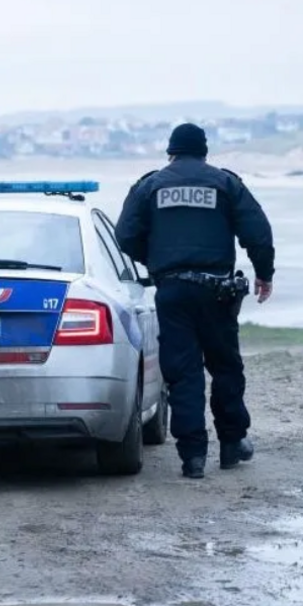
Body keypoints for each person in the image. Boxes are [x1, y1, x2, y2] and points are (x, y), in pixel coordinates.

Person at [114, 123, 276, 479]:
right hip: (218, 291)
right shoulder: (225, 183)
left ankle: (193, 458)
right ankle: (232, 445)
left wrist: (156, 261)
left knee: (183, 372)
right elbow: (258, 232)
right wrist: (265, 273)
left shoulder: (150, 185)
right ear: (204, 152)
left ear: (170, 152)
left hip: (172, 291)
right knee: (225, 367)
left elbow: (124, 235)